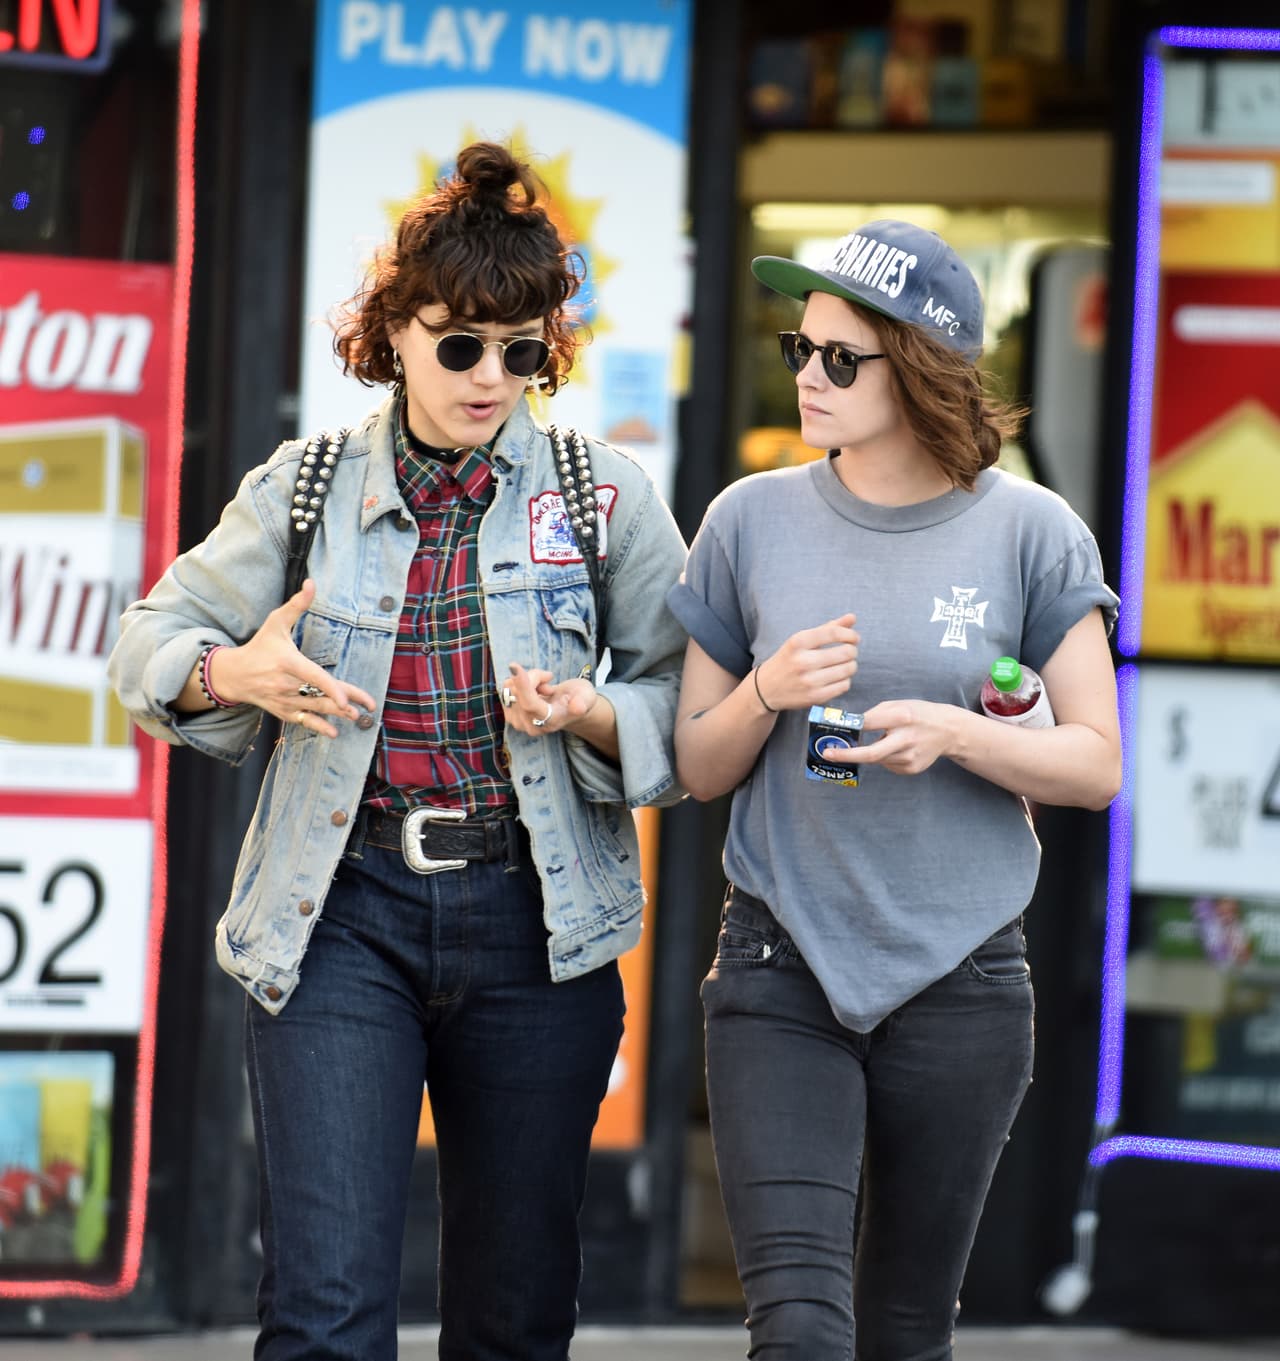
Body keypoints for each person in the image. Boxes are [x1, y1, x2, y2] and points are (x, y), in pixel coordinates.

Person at [108, 141, 688, 1361]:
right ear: (396, 332)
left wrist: (587, 712)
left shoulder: (602, 499)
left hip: (540, 922)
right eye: (458, 342)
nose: (489, 377)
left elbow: (690, 703)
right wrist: (232, 672)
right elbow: (149, 640)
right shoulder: (305, 485)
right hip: (341, 913)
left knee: (514, 1317)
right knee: (322, 1317)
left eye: (521, 349)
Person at [667, 218, 1122, 1360]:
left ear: (918, 364)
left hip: (962, 978)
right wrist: (767, 684)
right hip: (779, 963)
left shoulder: (1029, 532)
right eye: (798, 350)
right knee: (802, 1329)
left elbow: (1095, 762)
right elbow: (697, 764)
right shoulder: (745, 520)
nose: (809, 379)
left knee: (905, 1329)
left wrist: (959, 733)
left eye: (839, 358)